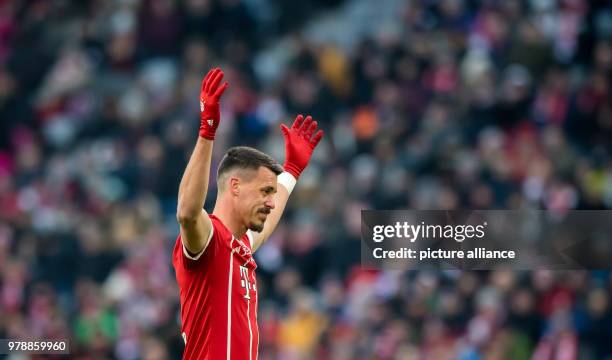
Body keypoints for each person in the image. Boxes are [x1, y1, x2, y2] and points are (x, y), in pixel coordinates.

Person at [172, 68, 324, 359]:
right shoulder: (208, 239)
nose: (271, 201)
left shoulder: (238, 246)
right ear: (235, 187)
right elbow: (187, 213)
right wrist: (207, 132)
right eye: (265, 191)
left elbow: (264, 229)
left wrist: (291, 173)